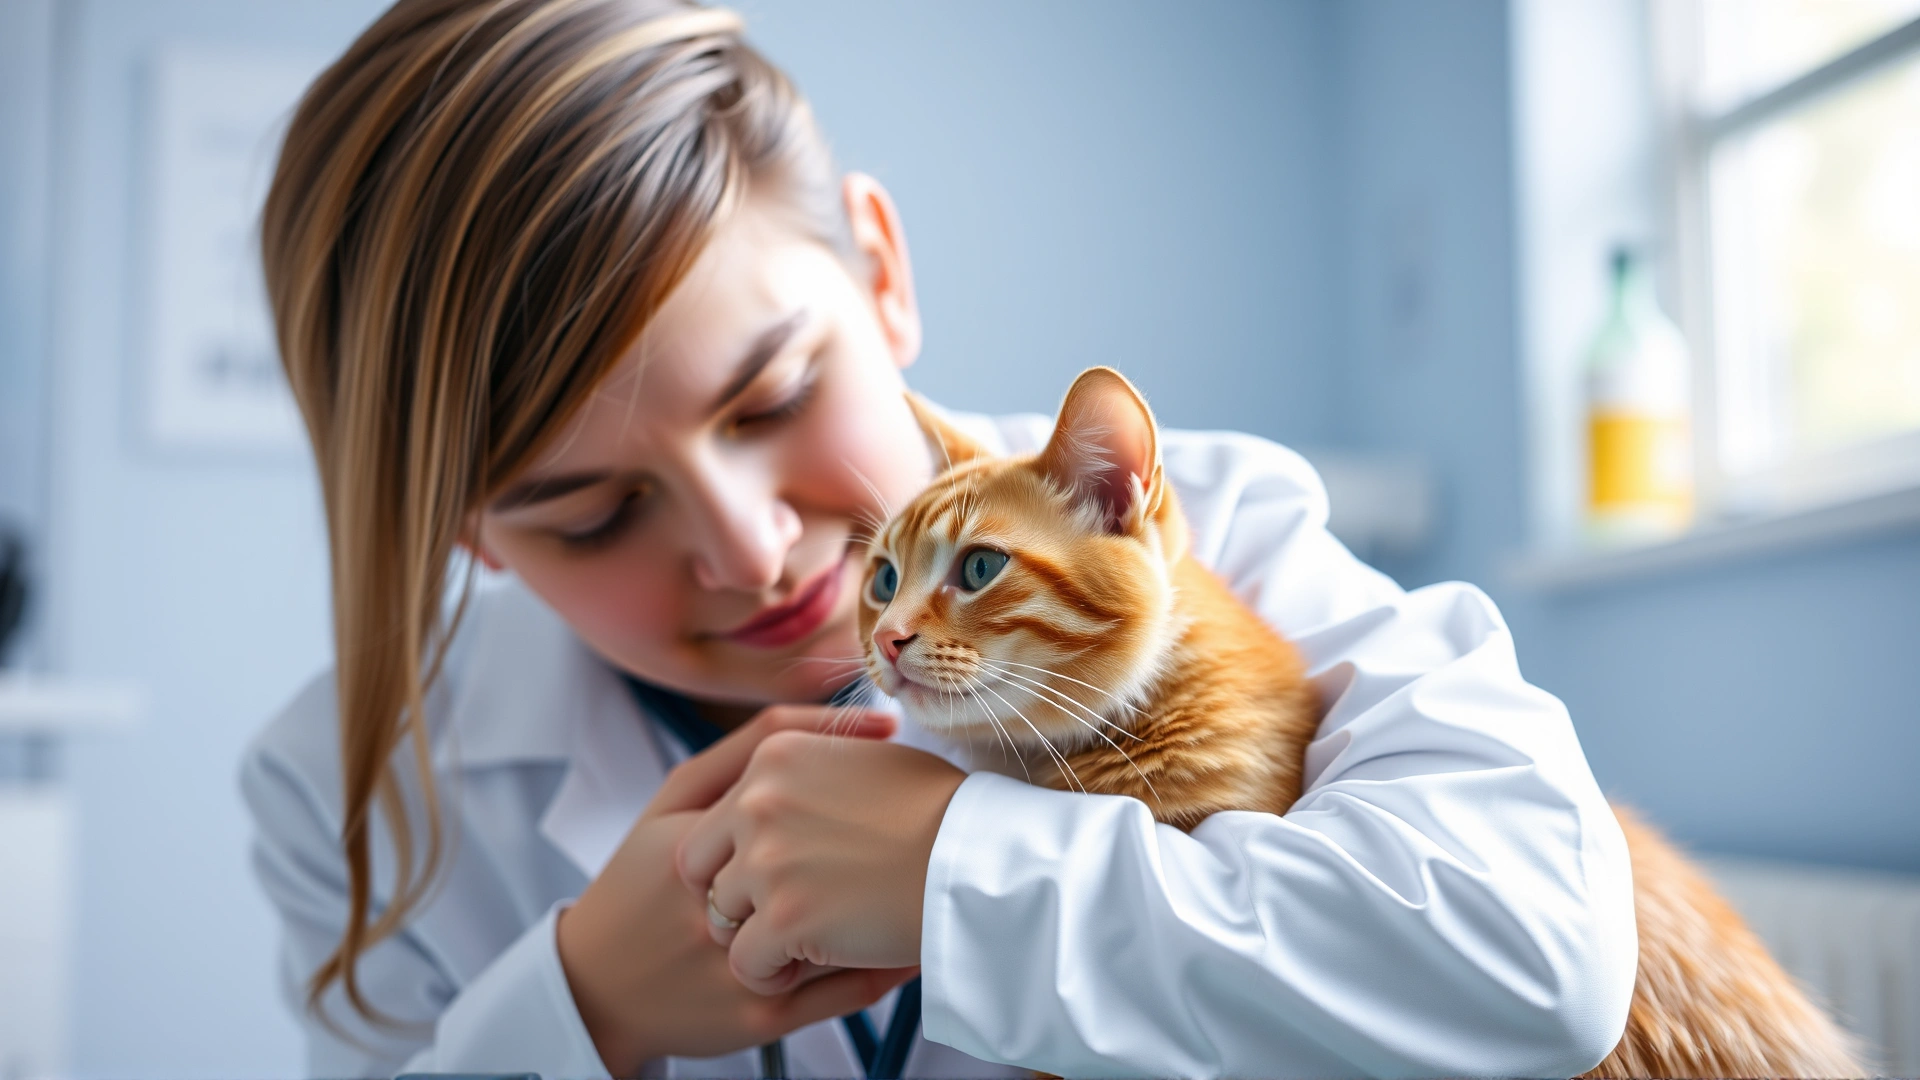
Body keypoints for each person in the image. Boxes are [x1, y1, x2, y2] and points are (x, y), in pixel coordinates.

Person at [242, 1, 1638, 1077]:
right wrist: (579, 1008)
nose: (752, 550)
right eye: (594, 511)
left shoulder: (1216, 530)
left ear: (883, 274)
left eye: (776, 397)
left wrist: (960, 879)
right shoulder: (340, 794)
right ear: (467, 534)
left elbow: (1541, 950)